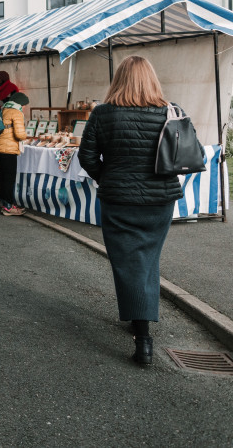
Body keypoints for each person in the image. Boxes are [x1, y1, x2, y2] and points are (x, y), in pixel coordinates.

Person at [78, 56, 184, 366]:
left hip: (119, 200)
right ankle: (140, 321)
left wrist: (106, 178)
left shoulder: (102, 114)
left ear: (119, 80)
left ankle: (143, 337)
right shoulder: (171, 110)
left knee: (127, 263)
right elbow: (187, 152)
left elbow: (86, 157)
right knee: (147, 260)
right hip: (160, 201)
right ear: (152, 79)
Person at [0, 91, 29, 216]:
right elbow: (19, 134)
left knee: (2, 177)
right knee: (9, 178)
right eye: (24, 105)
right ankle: (8, 207)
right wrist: (26, 136)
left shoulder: (2, 109)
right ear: (20, 103)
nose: (24, 107)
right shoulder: (16, 112)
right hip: (8, 149)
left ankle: (5, 204)